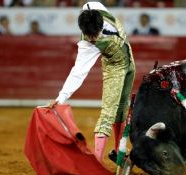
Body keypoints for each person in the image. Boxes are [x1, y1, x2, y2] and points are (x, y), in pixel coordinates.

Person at [48, 1, 135, 163]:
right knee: (108, 113)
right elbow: (78, 72)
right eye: (88, 35)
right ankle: (97, 164)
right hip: (114, 67)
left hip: (130, 61)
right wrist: (61, 98)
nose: (91, 38)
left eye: (94, 34)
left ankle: (119, 152)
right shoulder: (87, 45)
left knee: (123, 108)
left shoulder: (97, 8)